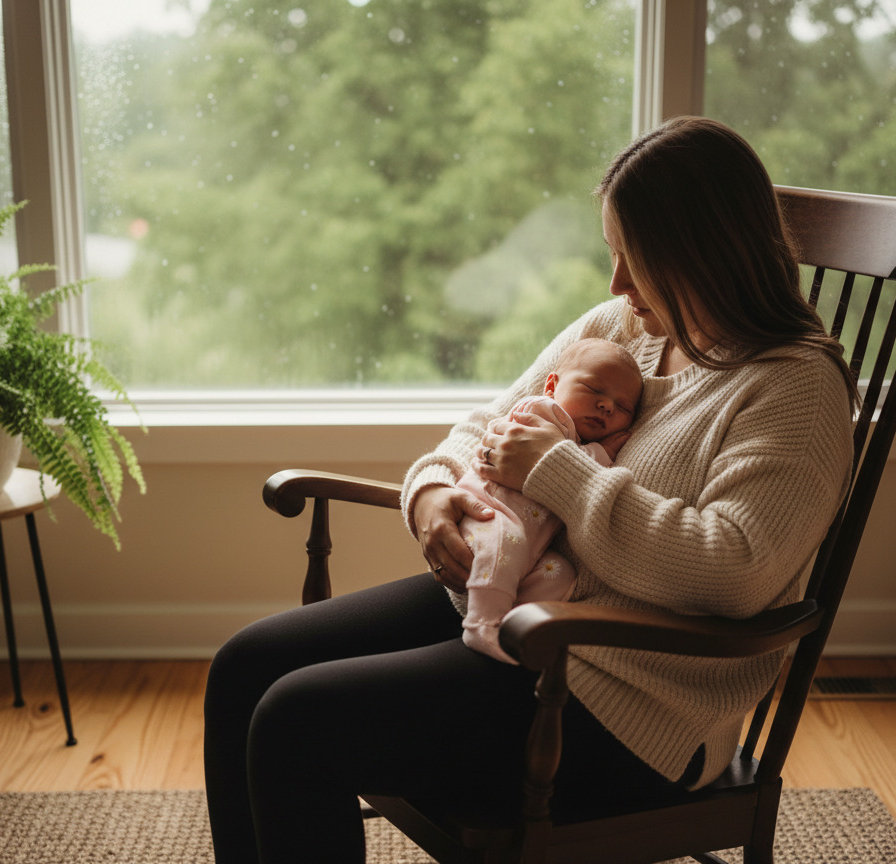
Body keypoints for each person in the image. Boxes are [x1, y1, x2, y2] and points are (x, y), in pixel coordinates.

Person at [203, 116, 858, 864]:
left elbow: (734, 570)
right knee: (244, 668)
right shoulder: (626, 325)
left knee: (297, 722)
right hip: (512, 615)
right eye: (614, 255)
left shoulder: (796, 389)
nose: (615, 284)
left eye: (635, 260)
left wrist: (559, 471)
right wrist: (431, 496)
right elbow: (490, 423)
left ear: (705, 256)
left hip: (626, 698)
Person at [456, 338, 642, 664]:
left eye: (623, 407)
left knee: (561, 575)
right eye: (593, 390)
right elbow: (558, 458)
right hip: (489, 514)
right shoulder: (543, 413)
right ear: (552, 385)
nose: (607, 406)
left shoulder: (574, 435)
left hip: (529, 546)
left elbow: (567, 467)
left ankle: (517, 626)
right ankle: (480, 624)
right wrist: (602, 454)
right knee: (505, 544)